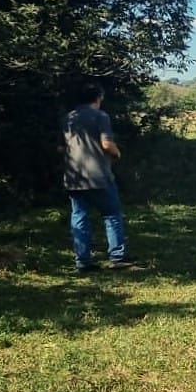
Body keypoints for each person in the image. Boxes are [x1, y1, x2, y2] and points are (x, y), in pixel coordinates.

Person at [63, 82, 129, 273]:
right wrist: (117, 154)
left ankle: (83, 261)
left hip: (74, 176)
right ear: (98, 98)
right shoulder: (100, 116)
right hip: (99, 175)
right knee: (112, 215)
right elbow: (107, 144)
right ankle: (117, 257)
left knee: (79, 216)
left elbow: (61, 147)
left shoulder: (68, 118)